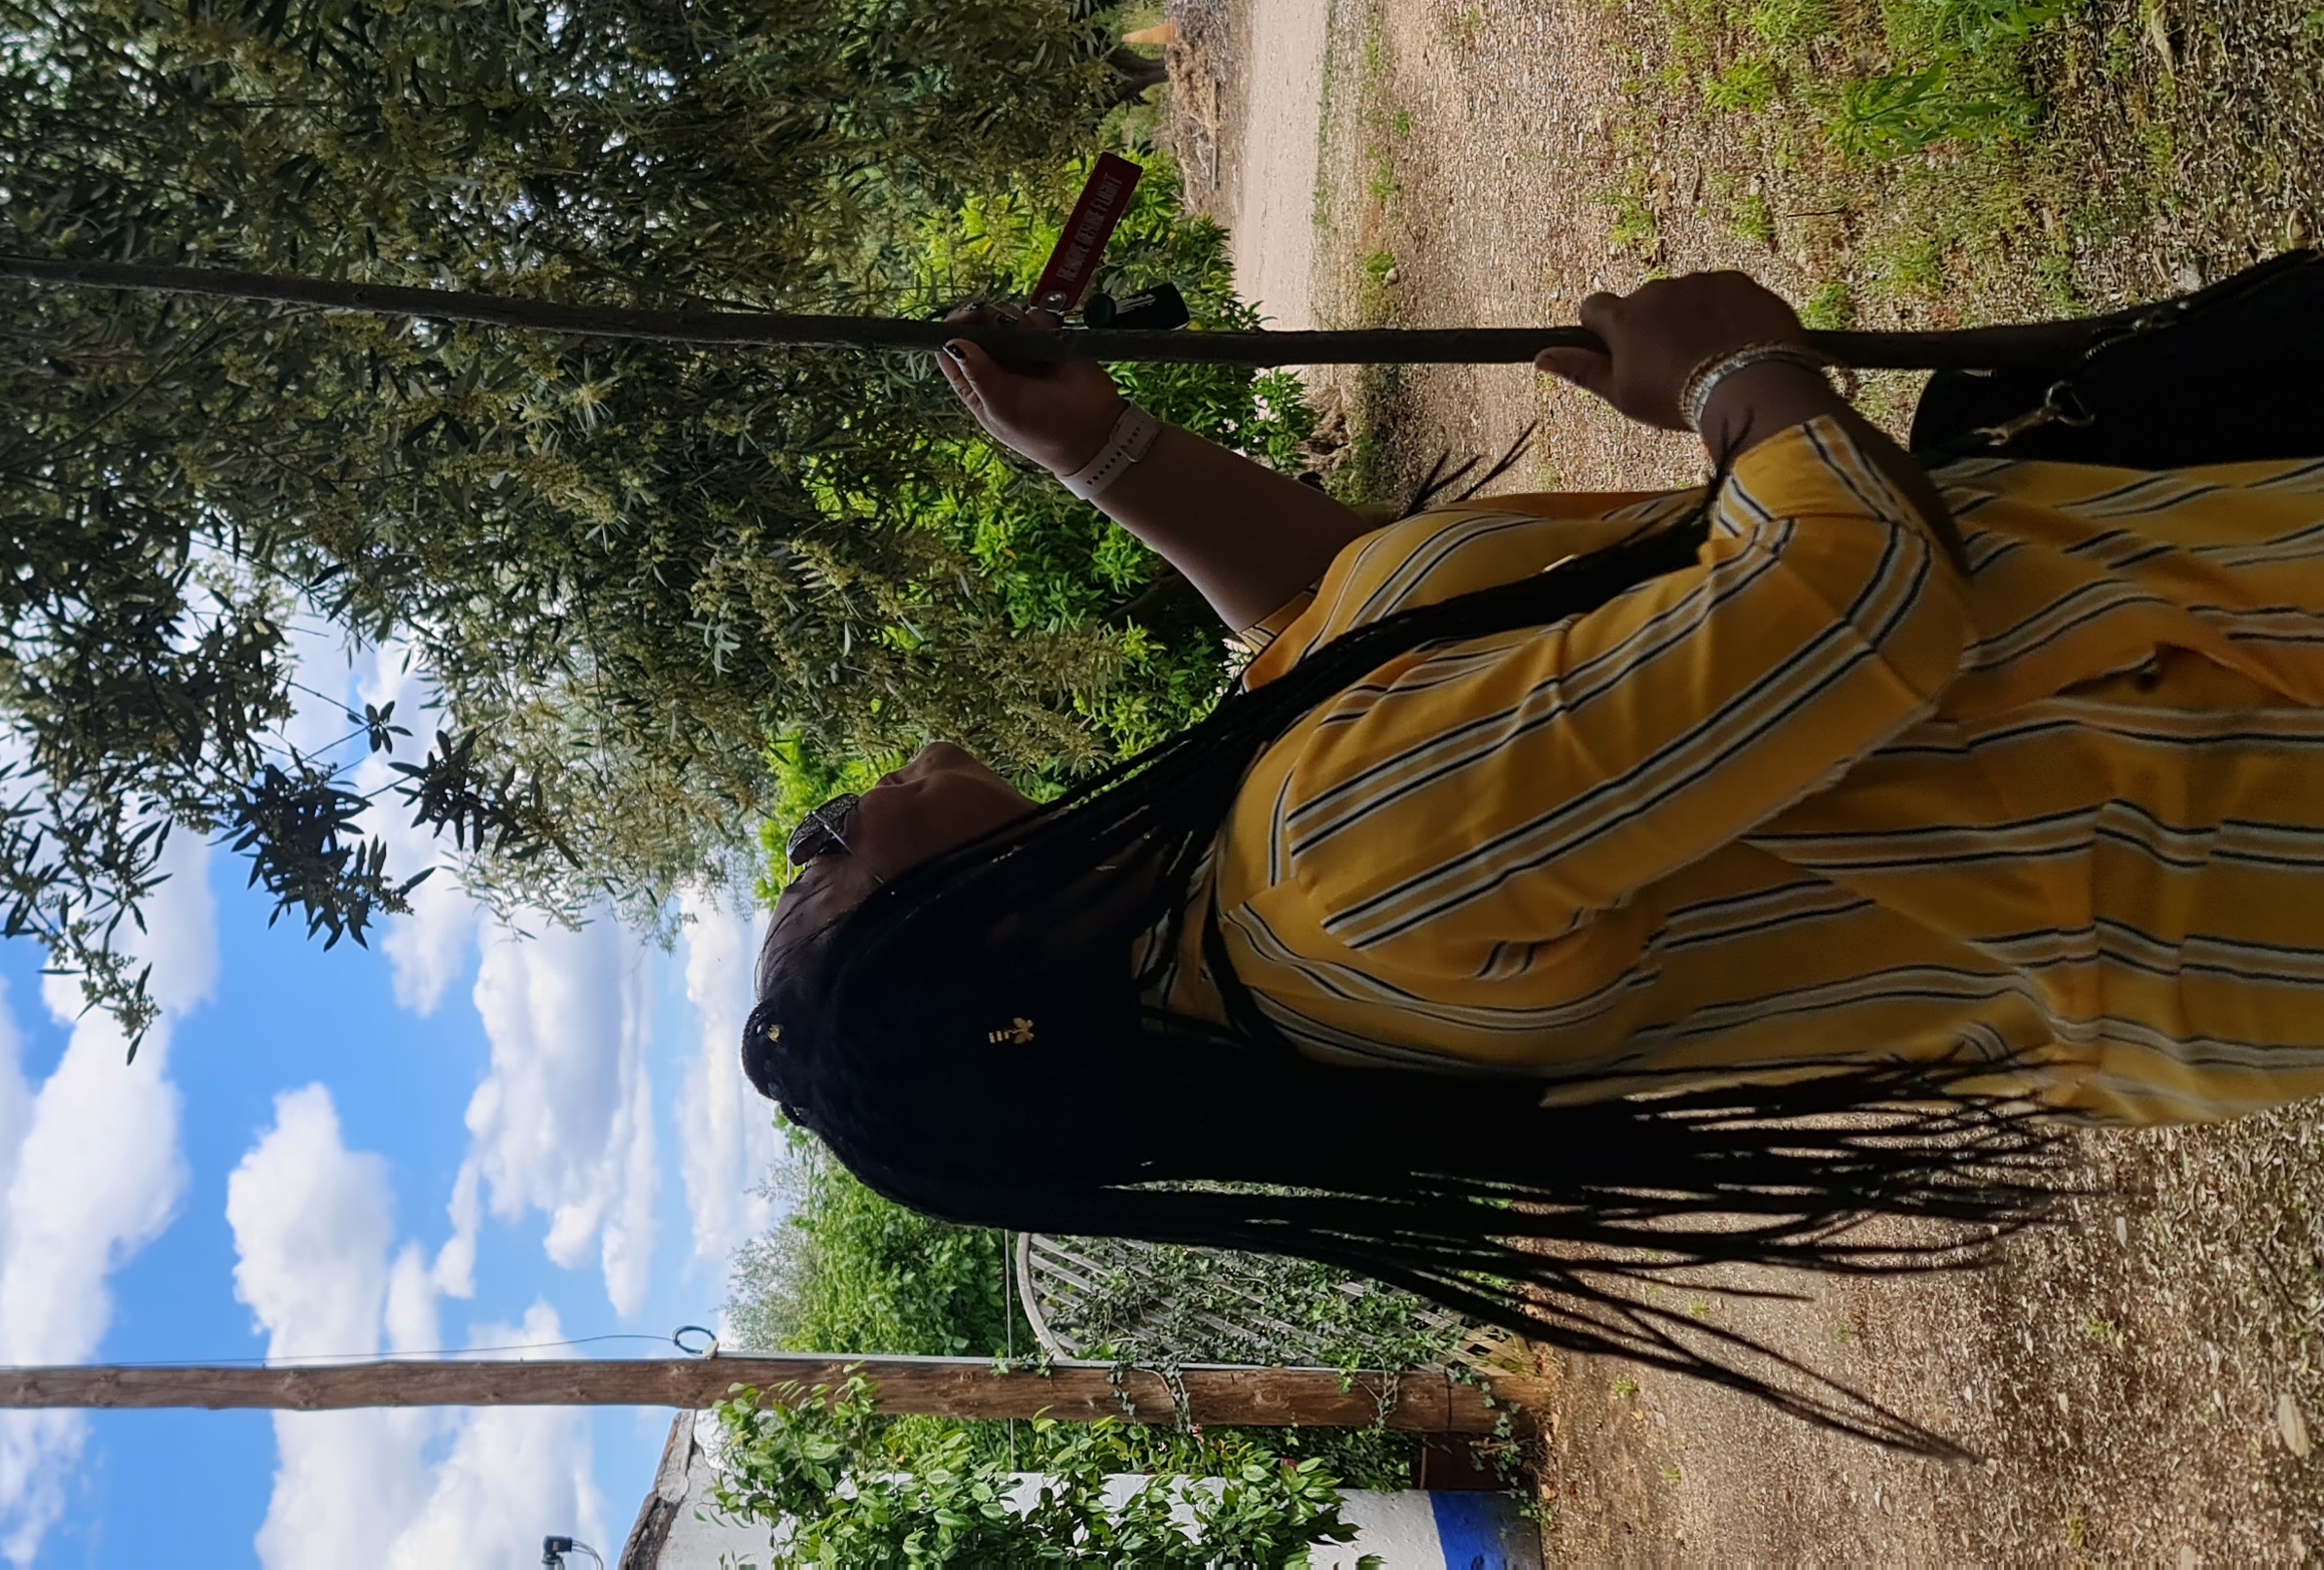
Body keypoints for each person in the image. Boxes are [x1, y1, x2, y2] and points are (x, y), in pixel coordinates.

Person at [741, 269, 2324, 1444]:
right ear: (982, 946)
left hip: (2189, 783)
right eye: (822, 873)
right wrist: (1735, 373)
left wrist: (1105, 456)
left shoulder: (1247, 930)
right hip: (2228, 739)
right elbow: (1856, 602)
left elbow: (1355, 623)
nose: (820, 827)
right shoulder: (1327, 858)